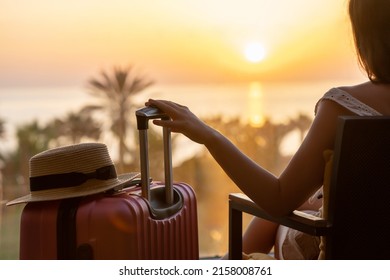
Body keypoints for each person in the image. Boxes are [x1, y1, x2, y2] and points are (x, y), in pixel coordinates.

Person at [146, 0, 390, 259]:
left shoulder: (342, 106)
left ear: (366, 34)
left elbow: (278, 199)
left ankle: (230, 264)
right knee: (308, 202)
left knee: (280, 217)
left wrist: (209, 136)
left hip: (347, 257)